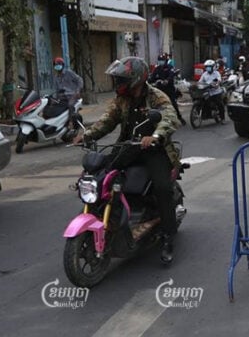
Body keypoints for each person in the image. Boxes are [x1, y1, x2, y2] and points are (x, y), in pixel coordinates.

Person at [73, 57, 182, 264]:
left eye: (121, 79)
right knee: (100, 174)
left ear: (136, 79)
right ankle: (107, 218)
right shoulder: (121, 99)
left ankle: (168, 237)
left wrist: (156, 136)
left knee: (162, 188)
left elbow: (170, 117)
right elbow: (107, 120)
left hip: (153, 149)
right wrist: (87, 135)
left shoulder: (156, 96)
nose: (118, 83)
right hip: (128, 147)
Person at [149, 53, 185, 124]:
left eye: (162, 60)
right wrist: (147, 81)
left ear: (165, 60)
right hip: (159, 90)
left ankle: (180, 118)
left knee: (173, 104)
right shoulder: (157, 69)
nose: (160, 61)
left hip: (169, 89)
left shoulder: (169, 67)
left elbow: (171, 75)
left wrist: (167, 80)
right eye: (159, 60)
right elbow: (152, 78)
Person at [53, 56, 83, 127]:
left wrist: (78, 91)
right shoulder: (56, 77)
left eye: (59, 64)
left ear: (62, 65)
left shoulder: (69, 73)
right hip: (62, 96)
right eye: (56, 65)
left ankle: (71, 122)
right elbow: (57, 90)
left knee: (70, 105)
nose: (57, 66)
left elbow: (80, 80)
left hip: (72, 95)